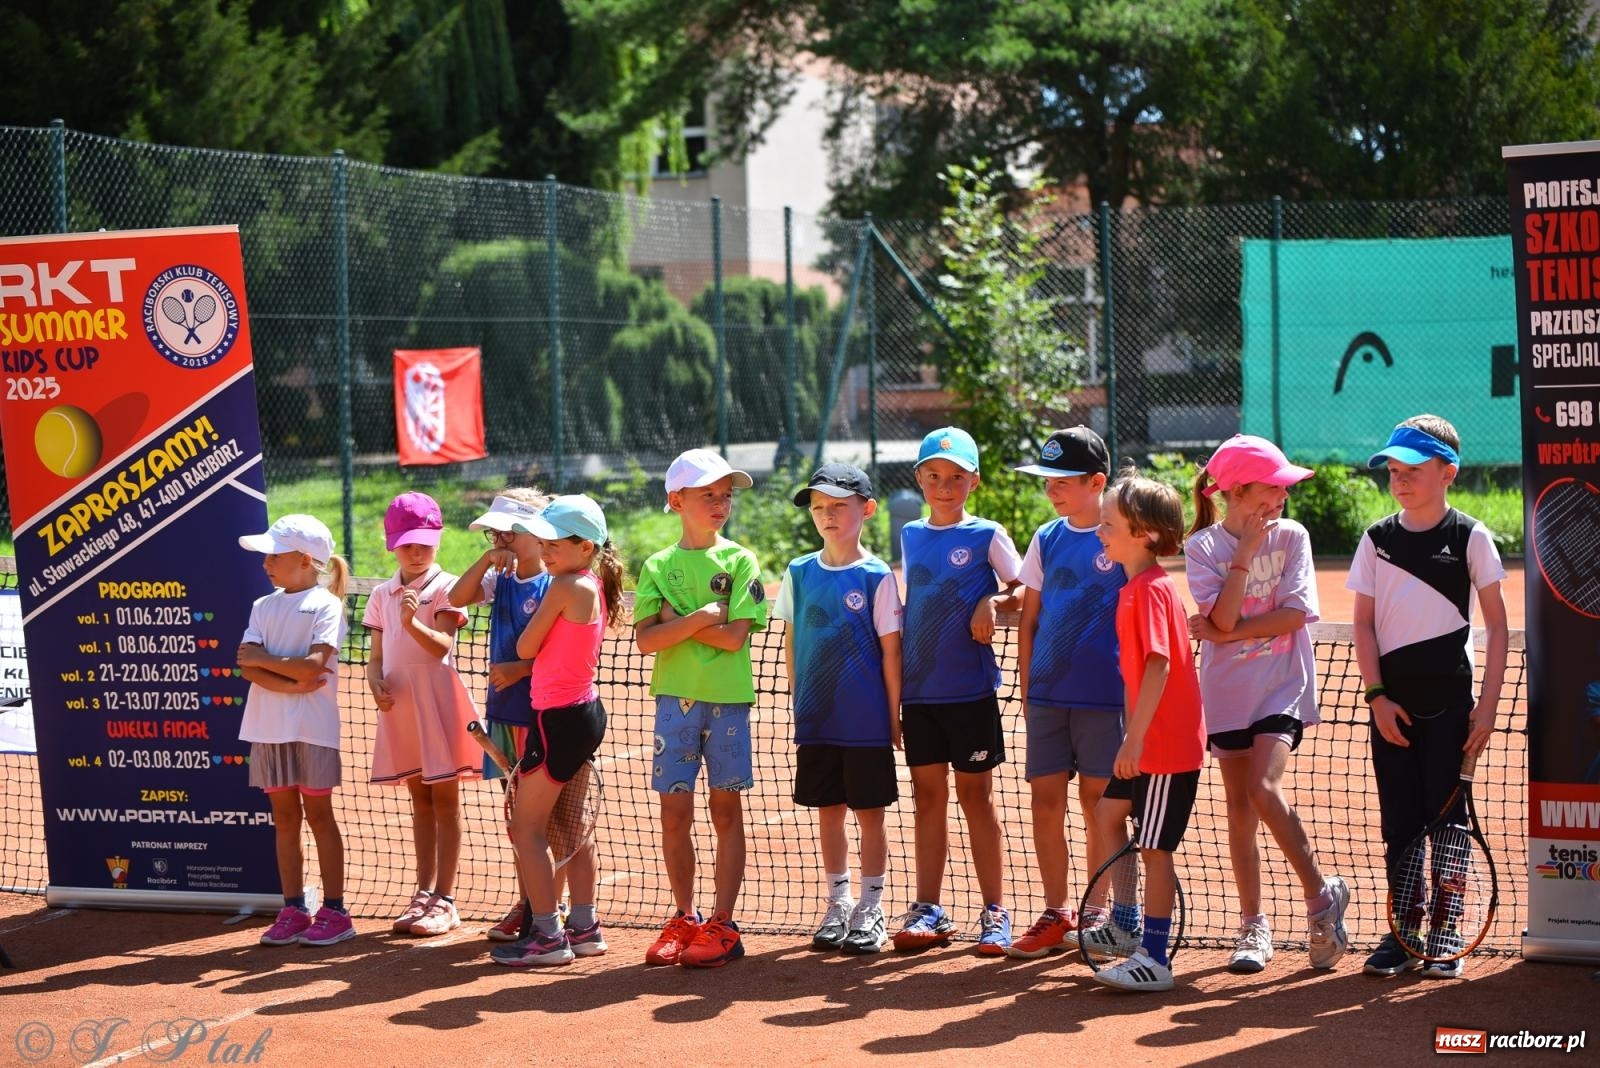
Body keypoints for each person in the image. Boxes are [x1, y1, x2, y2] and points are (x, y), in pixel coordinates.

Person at [1185, 434, 1352, 974]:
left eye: (1284, 487)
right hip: (1226, 693)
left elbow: (1292, 616)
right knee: (1239, 810)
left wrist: (1222, 633)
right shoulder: (1202, 547)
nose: (1283, 496)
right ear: (1236, 491)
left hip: (1282, 686)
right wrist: (1245, 557)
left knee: (1263, 788)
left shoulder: (1294, 536)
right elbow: (1224, 616)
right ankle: (1253, 925)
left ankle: (1320, 900)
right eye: (1273, 487)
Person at [1349, 415, 1508, 979]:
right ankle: (1404, 930)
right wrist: (1376, 697)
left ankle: (1447, 926)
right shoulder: (1377, 540)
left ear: (1448, 473)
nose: (1400, 480)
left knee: (1448, 821)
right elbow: (1362, 625)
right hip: (1391, 710)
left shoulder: (1471, 536)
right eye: (1394, 470)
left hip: (1452, 710)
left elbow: (1498, 627)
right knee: (1399, 822)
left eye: (1413, 470)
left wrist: (1487, 708)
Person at [634, 449, 768, 967]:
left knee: (725, 812)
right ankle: (684, 917)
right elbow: (646, 641)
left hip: (728, 703)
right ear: (676, 501)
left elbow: (735, 638)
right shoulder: (657, 565)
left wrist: (678, 621)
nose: (720, 503)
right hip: (674, 703)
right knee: (674, 815)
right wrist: (703, 617)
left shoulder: (741, 560)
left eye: (726, 495)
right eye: (708, 494)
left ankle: (723, 923)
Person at [894, 426, 1023, 955]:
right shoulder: (910, 534)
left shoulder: (988, 534)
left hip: (970, 692)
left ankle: (995, 910)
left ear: (974, 481)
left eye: (955, 477)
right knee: (927, 799)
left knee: (976, 799)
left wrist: (991, 602)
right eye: (933, 476)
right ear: (919, 479)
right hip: (919, 694)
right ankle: (929, 908)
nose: (944, 487)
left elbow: (1024, 589)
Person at [1082, 474, 1205, 992]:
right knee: (1109, 813)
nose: (1100, 532)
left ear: (1145, 534)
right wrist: (1129, 738)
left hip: (1165, 746)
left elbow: (1158, 666)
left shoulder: (1151, 590)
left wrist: (1135, 740)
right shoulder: (1134, 588)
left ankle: (1154, 958)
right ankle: (1125, 925)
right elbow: (1139, 675)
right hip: (1144, 741)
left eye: (1109, 524)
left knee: (1155, 849)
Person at [773, 463, 903, 955]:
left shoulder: (876, 576)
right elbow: (791, 643)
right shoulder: (798, 572)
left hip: (866, 722)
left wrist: (893, 715)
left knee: (870, 815)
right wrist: (798, 700)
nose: (827, 515)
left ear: (866, 510)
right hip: (818, 720)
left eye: (838, 506)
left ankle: (871, 908)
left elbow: (891, 652)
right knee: (829, 812)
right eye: (819, 507)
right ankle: (839, 903)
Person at [1006, 427, 1126, 959]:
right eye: (1047, 480)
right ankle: (1057, 911)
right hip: (1048, 697)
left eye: (1063, 480)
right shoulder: (1046, 538)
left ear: (1097, 482)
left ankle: (1097, 911)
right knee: (1045, 801)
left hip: (1105, 697)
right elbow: (1030, 618)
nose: (1051, 489)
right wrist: (1028, 688)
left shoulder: (1121, 536)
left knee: (1100, 804)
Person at [490, 495, 624, 967]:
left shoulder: (565, 586)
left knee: (526, 828)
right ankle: (584, 927)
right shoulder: (593, 582)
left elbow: (526, 645)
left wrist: (530, 640)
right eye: (542, 542)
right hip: (584, 714)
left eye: (554, 544)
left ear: (585, 547)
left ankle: (547, 934)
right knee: (571, 827)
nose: (545, 552)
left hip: (557, 720)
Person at [364, 491, 482, 938]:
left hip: (438, 705)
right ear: (392, 545)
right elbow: (376, 657)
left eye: (424, 543)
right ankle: (423, 891)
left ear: (438, 540)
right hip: (402, 709)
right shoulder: (380, 595)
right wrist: (374, 681)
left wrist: (412, 622)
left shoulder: (449, 588)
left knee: (446, 803)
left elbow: (442, 647)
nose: (416, 552)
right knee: (420, 802)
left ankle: (445, 900)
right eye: (407, 544)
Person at [236, 514, 356, 947]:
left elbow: (311, 666)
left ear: (305, 560)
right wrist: (292, 683)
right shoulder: (262, 606)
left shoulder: (327, 605)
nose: (265, 562)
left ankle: (336, 912)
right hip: (267, 728)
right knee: (284, 819)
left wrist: (267, 662)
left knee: (320, 817)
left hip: (312, 728)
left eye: (275, 554)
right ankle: (293, 909)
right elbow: (247, 667)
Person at [448, 489, 559, 942]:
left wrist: (520, 669)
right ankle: (528, 902)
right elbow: (456, 596)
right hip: (504, 716)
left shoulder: (555, 584)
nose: (499, 540)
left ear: (535, 533)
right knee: (518, 820)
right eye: (493, 534)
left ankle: (552, 908)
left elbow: (564, 651)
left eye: (507, 533)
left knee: (547, 822)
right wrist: (485, 560)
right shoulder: (499, 579)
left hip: (544, 716)